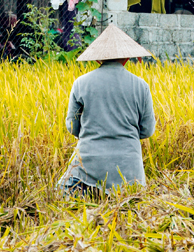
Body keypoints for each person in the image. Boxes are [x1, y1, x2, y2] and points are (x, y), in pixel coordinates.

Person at [59, 24, 156, 194]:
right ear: (126, 58)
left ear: (98, 59)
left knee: (60, 192)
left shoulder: (81, 83)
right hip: (130, 175)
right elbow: (147, 130)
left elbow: (72, 127)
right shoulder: (142, 86)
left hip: (88, 170)